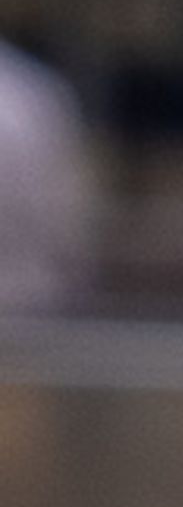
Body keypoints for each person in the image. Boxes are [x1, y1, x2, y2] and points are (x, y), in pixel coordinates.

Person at [0, 33, 93, 317]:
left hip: (21, 306)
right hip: (27, 305)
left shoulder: (26, 94)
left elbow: (67, 223)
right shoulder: (32, 89)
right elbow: (69, 228)